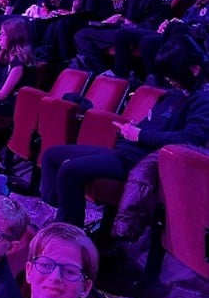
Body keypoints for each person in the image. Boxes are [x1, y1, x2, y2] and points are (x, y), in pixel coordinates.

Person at [40, 34, 209, 228]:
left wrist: (139, 134)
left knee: (69, 171)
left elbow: (190, 139)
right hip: (124, 151)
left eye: (173, 74)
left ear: (194, 70)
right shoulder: (175, 93)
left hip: (140, 161)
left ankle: (68, 237)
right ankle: (52, 218)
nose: (169, 80)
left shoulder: (203, 100)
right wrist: (131, 129)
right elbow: (152, 123)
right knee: (51, 155)